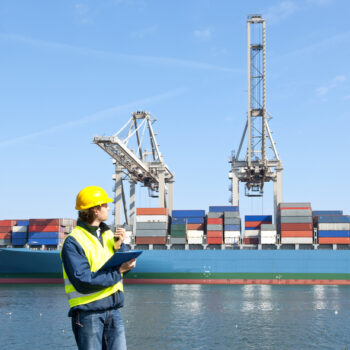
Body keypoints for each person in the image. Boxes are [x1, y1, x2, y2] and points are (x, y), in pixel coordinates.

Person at [61, 185, 136, 350]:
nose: (109, 207)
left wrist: (121, 247)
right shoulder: (73, 241)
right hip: (89, 314)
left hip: (114, 311)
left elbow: (120, 264)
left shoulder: (109, 235)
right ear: (95, 209)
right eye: (105, 205)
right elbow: (83, 281)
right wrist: (119, 271)